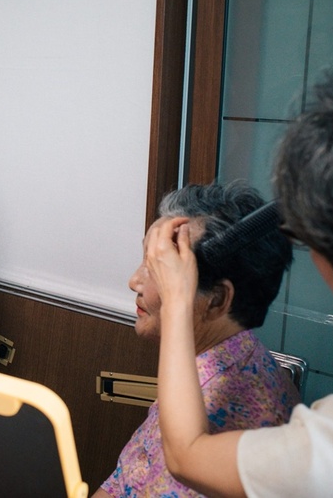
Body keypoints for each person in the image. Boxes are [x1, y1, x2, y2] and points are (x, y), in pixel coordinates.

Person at [151, 61, 333, 497]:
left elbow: (186, 457)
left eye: (155, 269)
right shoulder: (239, 364)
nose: (137, 282)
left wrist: (176, 300)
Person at [92, 182, 300, 498]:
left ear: (216, 300)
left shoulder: (221, 414)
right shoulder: (229, 357)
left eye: (159, 270)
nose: (134, 281)